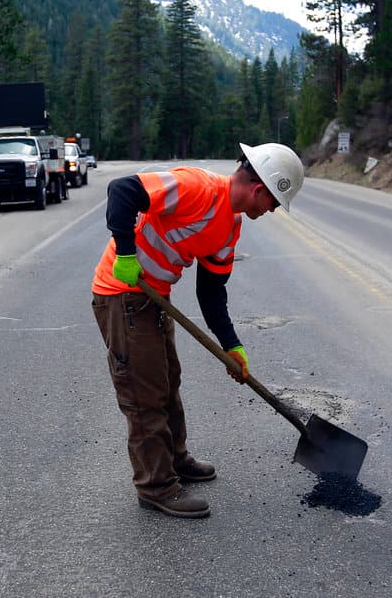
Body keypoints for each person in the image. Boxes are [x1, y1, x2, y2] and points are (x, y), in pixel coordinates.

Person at [91, 143, 305, 519]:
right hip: (122, 294)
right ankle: (156, 485)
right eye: (274, 203)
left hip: (154, 297)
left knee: (167, 381)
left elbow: (211, 292)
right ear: (260, 190)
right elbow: (122, 191)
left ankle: (175, 458)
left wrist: (232, 346)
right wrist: (125, 254)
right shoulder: (196, 188)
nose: (271, 210)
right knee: (144, 395)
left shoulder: (230, 226)